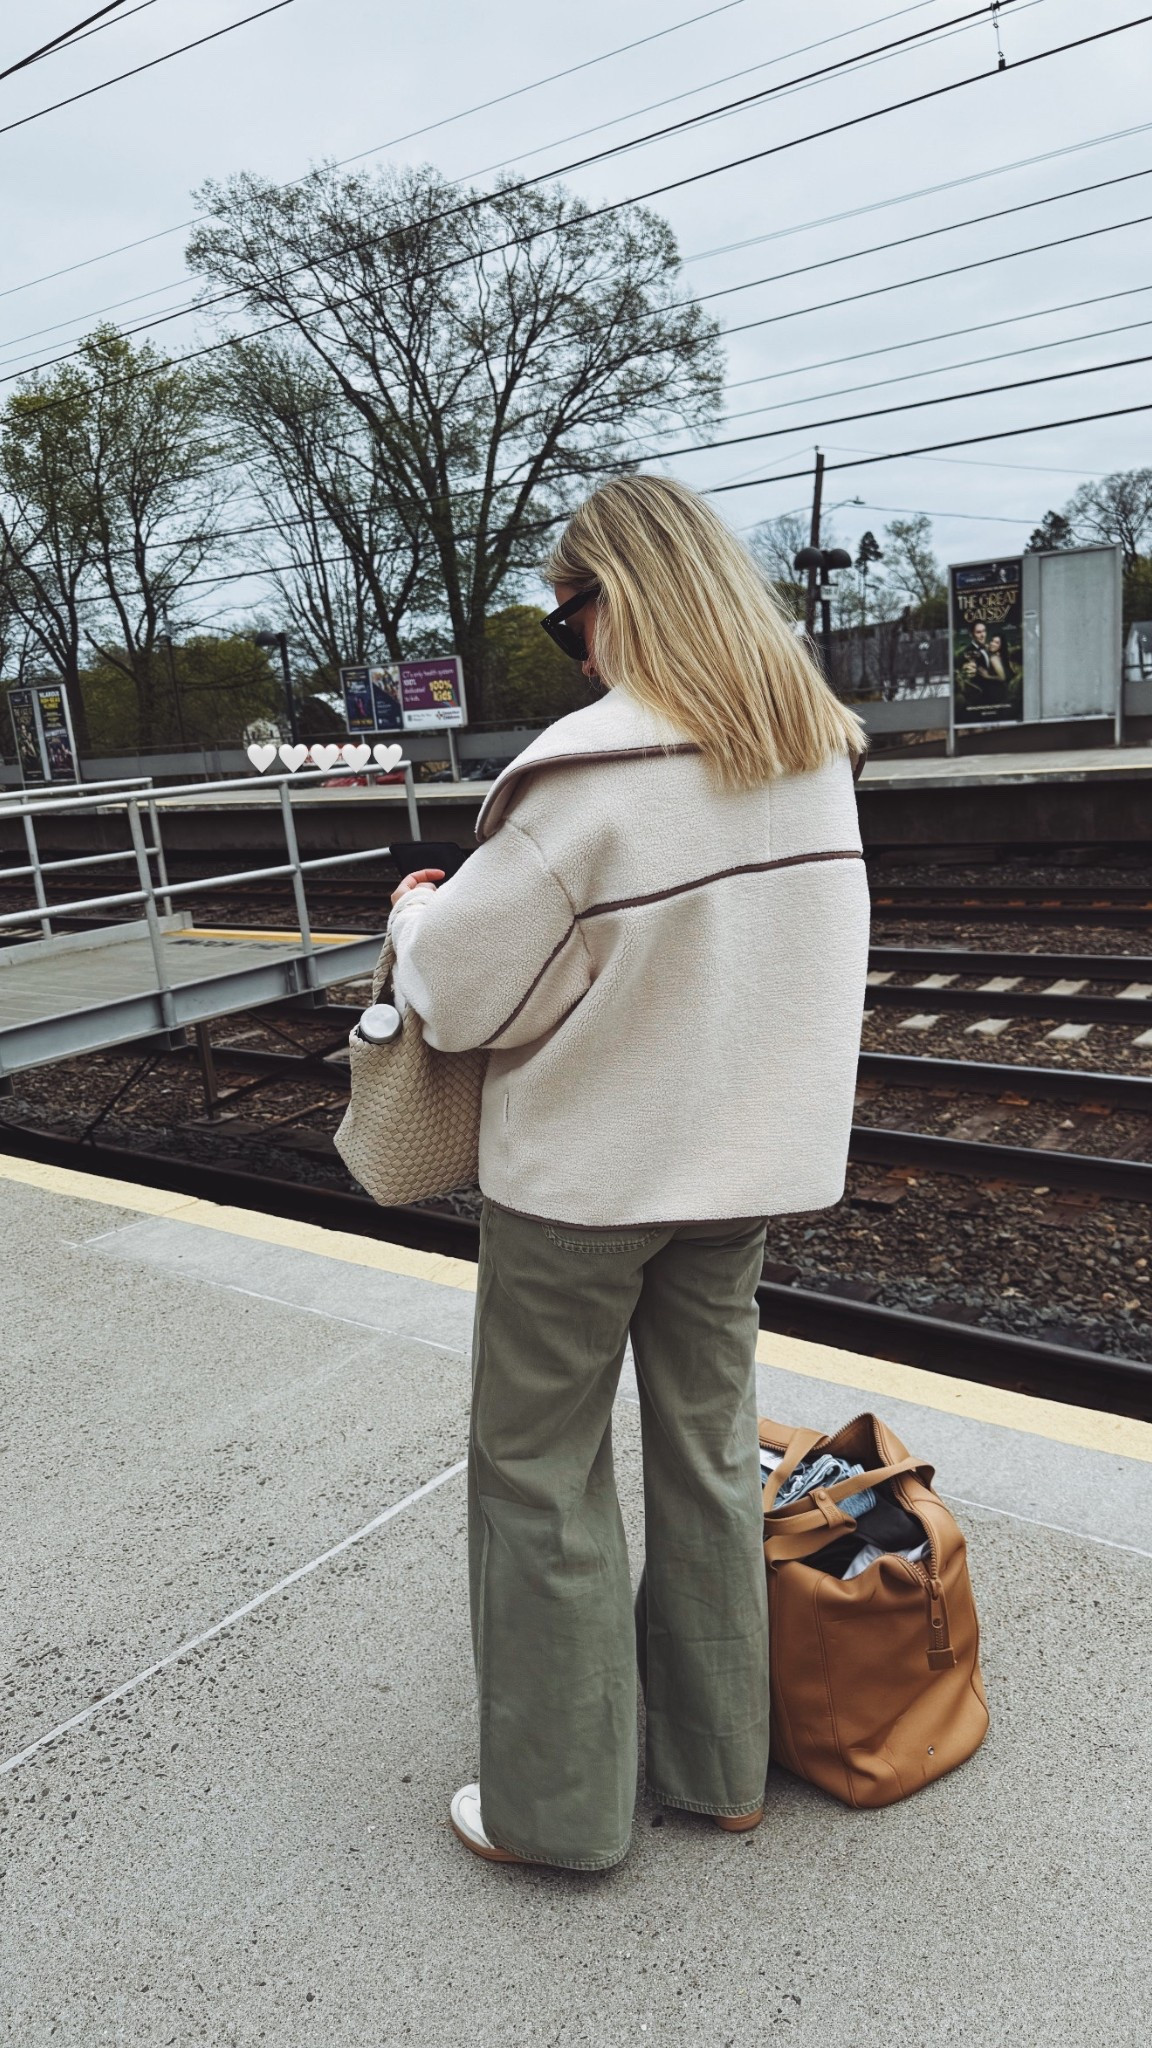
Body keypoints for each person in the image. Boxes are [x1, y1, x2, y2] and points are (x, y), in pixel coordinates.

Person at [387, 475, 870, 1871]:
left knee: (538, 1475)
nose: (572, 646)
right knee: (713, 1457)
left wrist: (419, 920)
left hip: (585, 1192)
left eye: (565, 618)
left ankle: (559, 1815)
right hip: (741, 1175)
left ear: (620, 600)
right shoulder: (808, 749)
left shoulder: (582, 781)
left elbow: (467, 1000)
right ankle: (719, 1769)